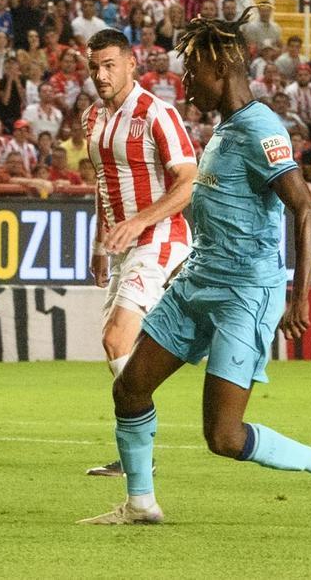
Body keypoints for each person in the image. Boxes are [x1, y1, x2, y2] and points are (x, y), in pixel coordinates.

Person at [79, 7, 311, 528]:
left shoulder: (260, 127)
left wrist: (299, 296)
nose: (186, 84)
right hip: (197, 282)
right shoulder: (223, 129)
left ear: (220, 68)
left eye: (192, 72)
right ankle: (141, 504)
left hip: (244, 293)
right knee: (129, 386)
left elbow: (305, 208)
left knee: (224, 437)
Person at [80, 29, 198, 478]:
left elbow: (189, 181)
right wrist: (99, 245)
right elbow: (102, 186)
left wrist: (139, 221)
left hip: (161, 236)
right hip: (123, 245)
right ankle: (137, 444)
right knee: (115, 344)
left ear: (132, 64)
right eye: (94, 66)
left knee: (116, 338)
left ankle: (140, 450)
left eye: (109, 65)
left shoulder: (156, 113)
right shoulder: (92, 118)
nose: (101, 74)